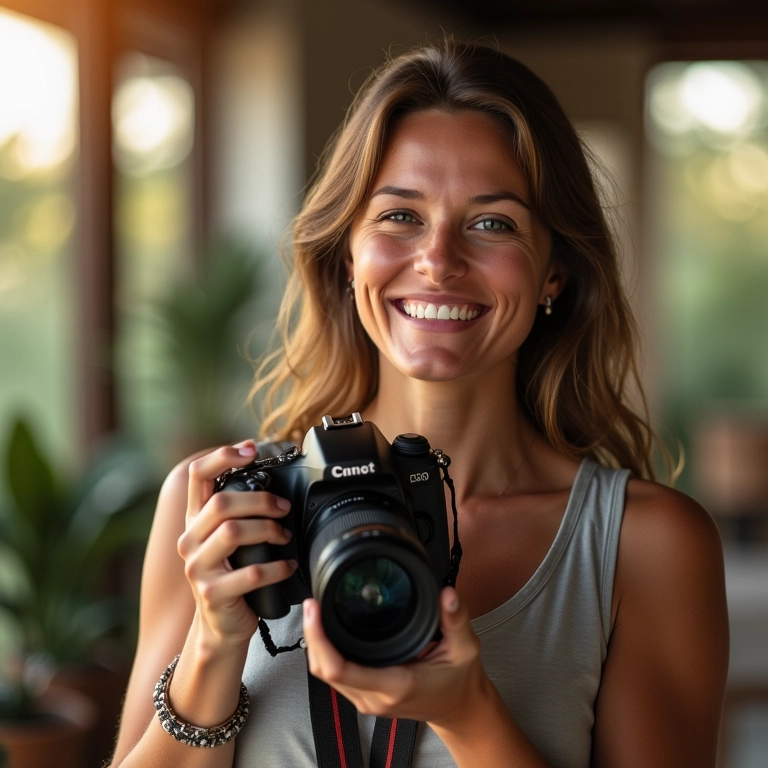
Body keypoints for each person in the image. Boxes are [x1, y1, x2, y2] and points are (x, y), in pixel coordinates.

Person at [108, 39, 729, 768]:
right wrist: (214, 647)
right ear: (348, 254)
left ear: (554, 272)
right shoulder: (217, 511)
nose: (438, 260)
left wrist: (470, 715)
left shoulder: (643, 545)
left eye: (492, 223)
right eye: (400, 216)